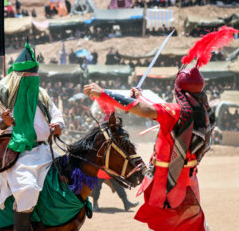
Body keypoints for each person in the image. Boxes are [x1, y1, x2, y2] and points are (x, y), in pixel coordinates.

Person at [84, 38, 217, 229]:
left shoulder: (177, 113)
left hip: (168, 185)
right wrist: (140, 97)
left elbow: (146, 111)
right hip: (188, 183)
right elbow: (157, 109)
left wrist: (104, 94)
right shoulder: (204, 113)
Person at [0, 42, 64, 231]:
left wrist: (58, 125)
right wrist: (5, 123)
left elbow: (56, 113)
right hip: (16, 152)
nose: (32, 79)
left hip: (45, 150)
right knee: (26, 189)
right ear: (18, 75)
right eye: (28, 76)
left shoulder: (41, 93)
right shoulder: (3, 92)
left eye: (34, 75)